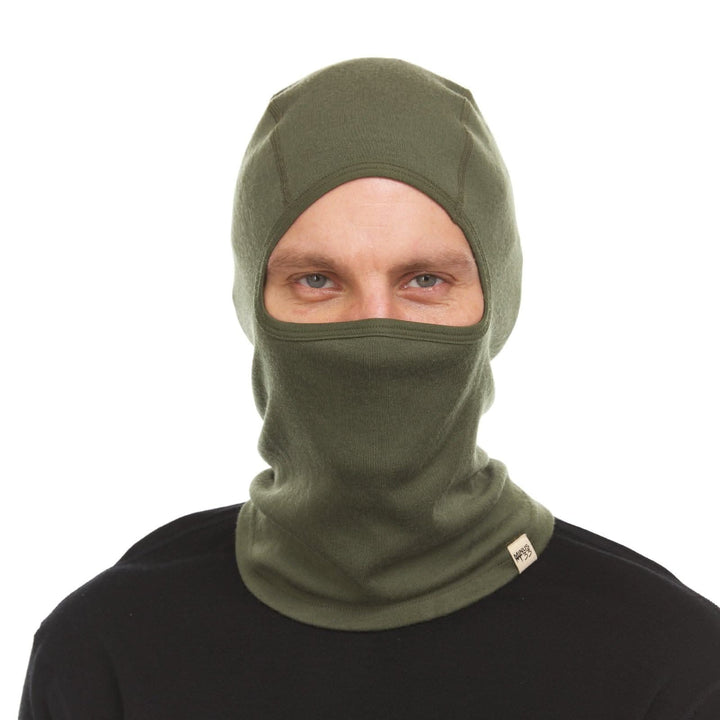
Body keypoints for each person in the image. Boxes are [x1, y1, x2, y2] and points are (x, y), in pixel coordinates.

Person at [19, 58, 720, 719]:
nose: (373, 328)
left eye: (425, 280)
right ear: (253, 308)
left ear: (496, 306)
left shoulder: (671, 666)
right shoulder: (107, 651)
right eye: (317, 280)